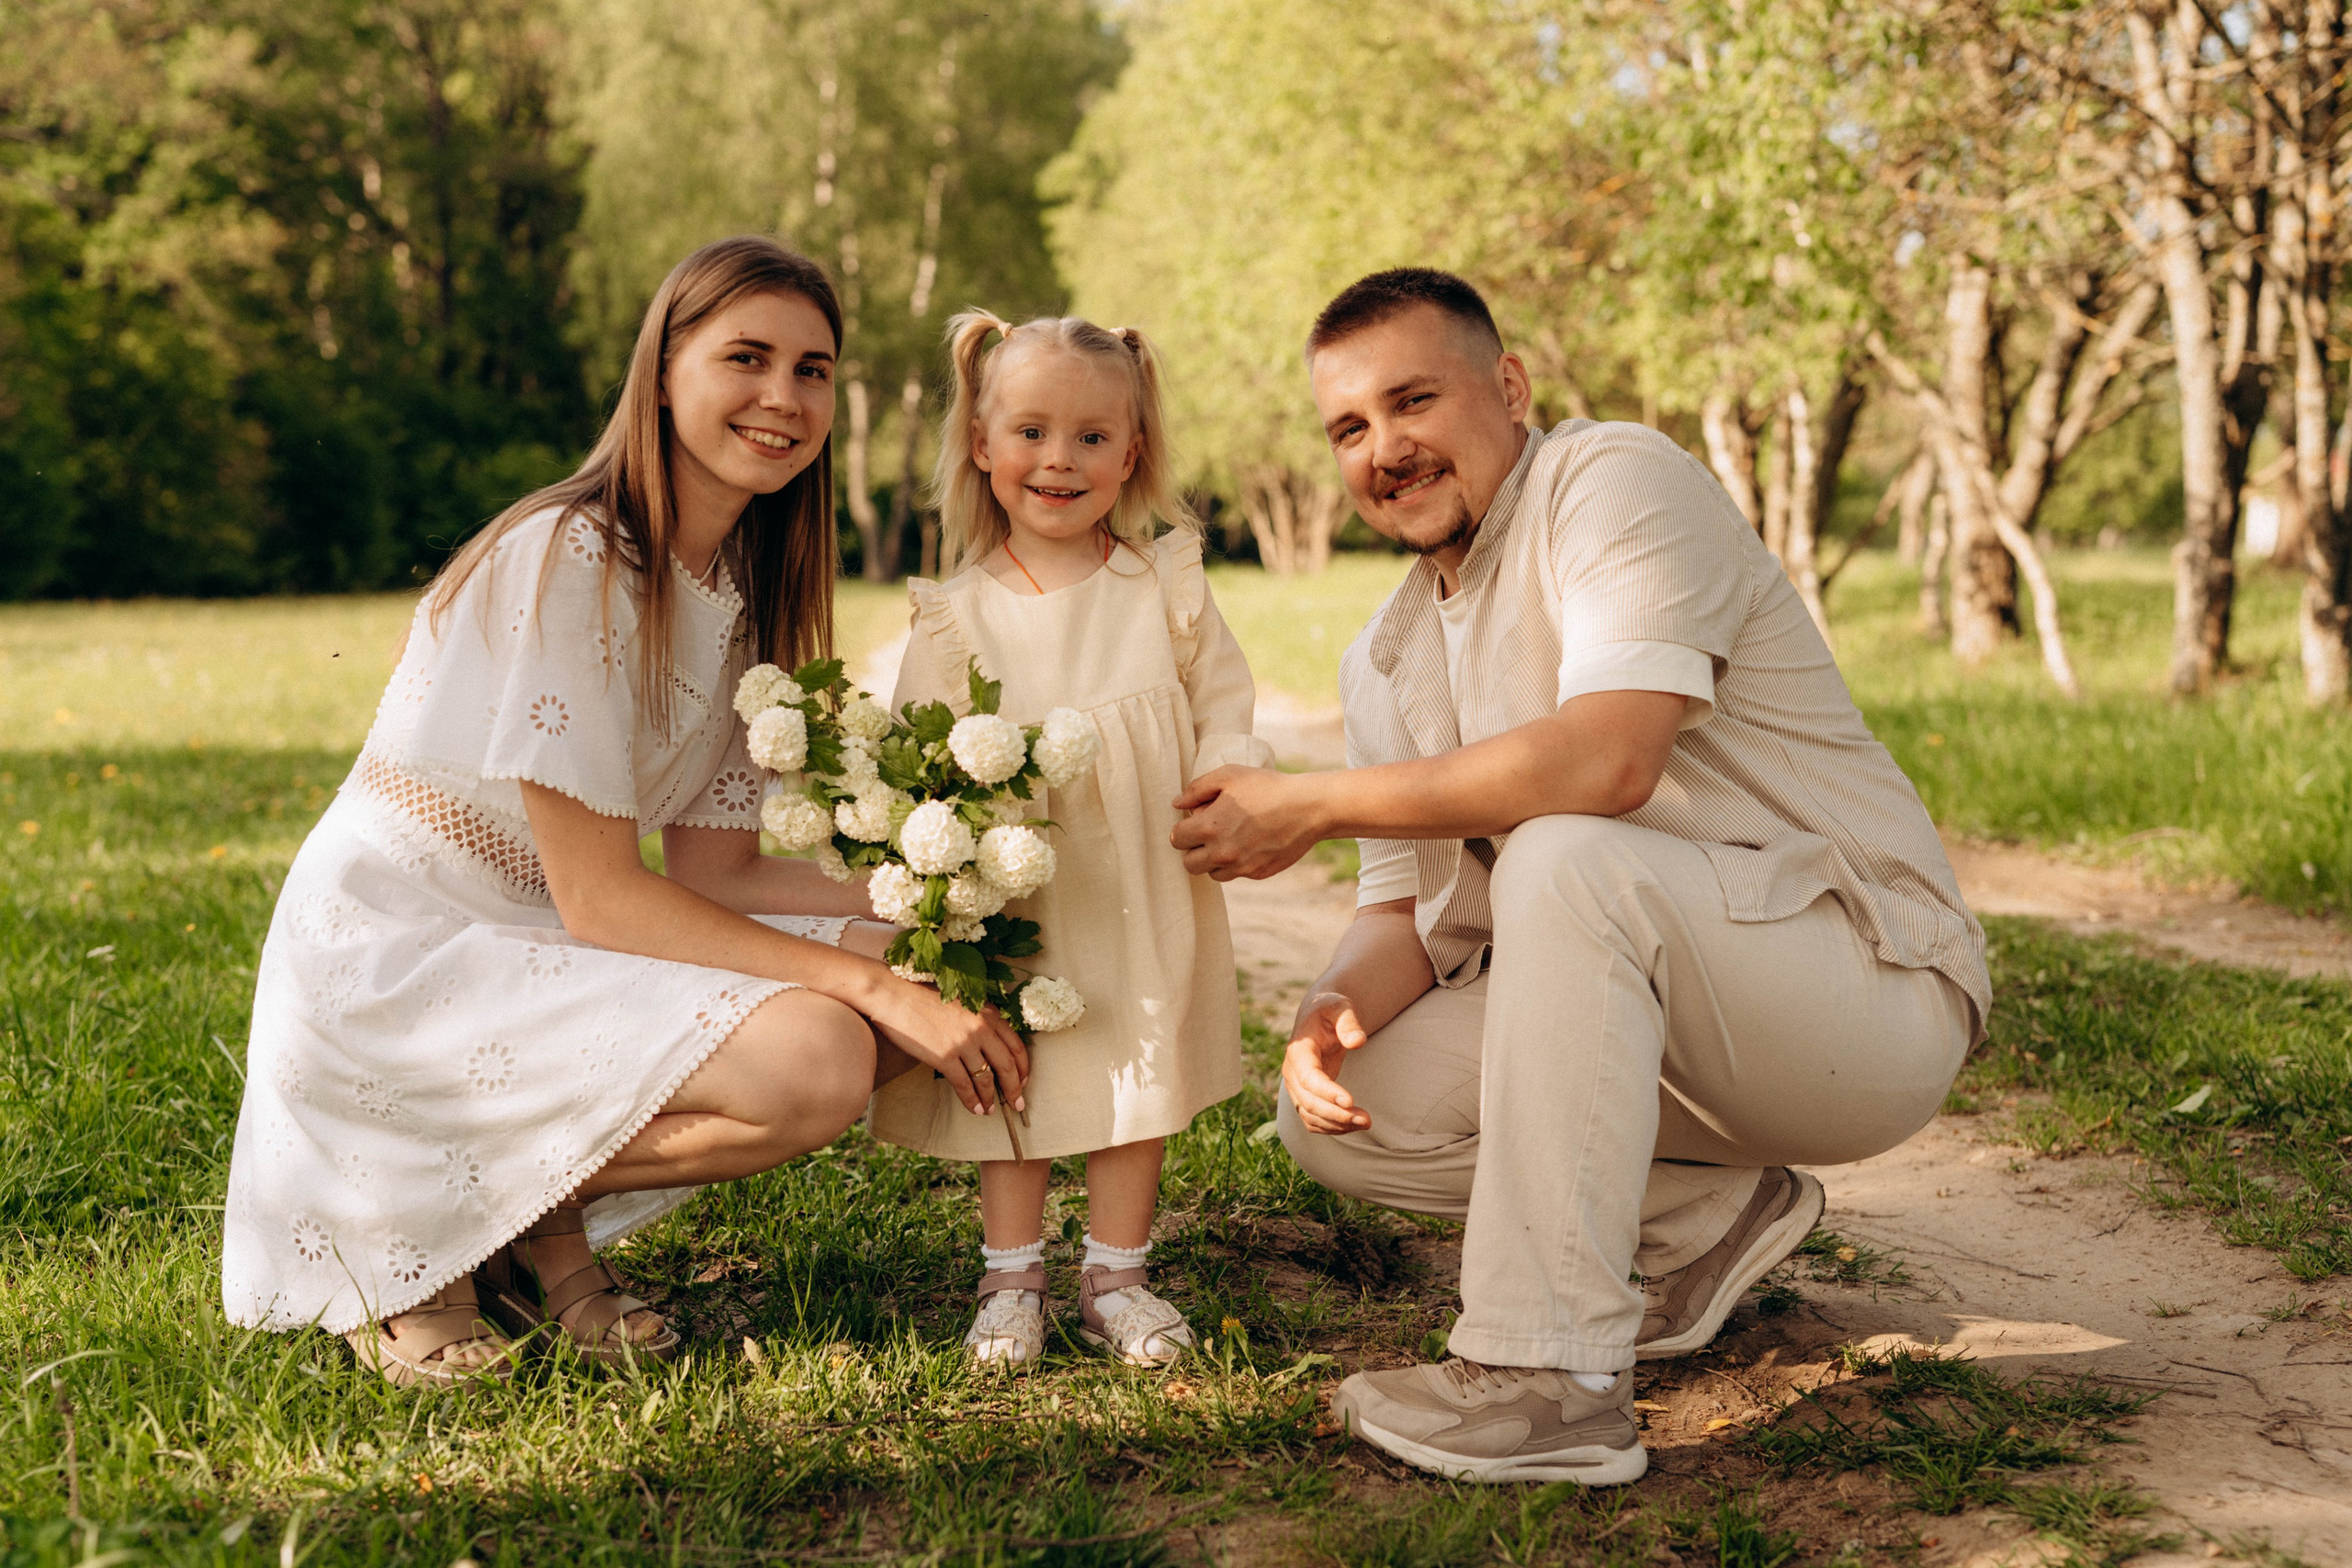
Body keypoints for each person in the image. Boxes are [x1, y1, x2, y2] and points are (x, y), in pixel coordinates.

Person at [1170, 268, 1987, 1484]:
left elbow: (1608, 759)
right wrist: (1328, 1009)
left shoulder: (1612, 481)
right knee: (1348, 1113)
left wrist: (1310, 801)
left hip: (1868, 992)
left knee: (1565, 852)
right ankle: (1704, 1221)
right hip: (1688, 1030)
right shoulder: (1383, 658)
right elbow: (1402, 915)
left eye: (1413, 401)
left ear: (1509, 387)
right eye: (1349, 428)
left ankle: (1550, 1382)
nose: (1384, 449)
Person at [220, 237, 1031, 1388]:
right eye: (746, 357)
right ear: (661, 373)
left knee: (930, 976)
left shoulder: (739, 593)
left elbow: (718, 878)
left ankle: (514, 1223)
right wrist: (867, 984)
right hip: (405, 950)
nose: (783, 396)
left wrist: (937, 904)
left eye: (811, 370)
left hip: (541, 941)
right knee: (817, 1056)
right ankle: (396, 1223)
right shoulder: (572, 555)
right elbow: (604, 898)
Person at [868, 310, 1270, 1368]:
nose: (1060, 459)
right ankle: (1011, 1278)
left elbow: (1225, 705)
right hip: (1016, 894)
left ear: (1131, 454)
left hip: (1142, 876)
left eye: (1092, 437)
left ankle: (1114, 1276)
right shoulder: (954, 617)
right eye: (1032, 432)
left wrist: (1227, 779)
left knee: (1138, 1061)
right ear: (981, 444)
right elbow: (918, 757)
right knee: (1020, 1070)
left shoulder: (1164, 586)